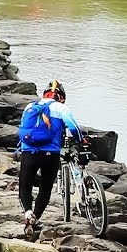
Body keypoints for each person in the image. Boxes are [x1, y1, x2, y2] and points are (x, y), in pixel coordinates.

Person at [17, 80, 83, 238]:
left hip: (29, 152)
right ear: (61, 97)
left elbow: (23, 128)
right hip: (50, 154)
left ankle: (27, 213)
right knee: (45, 188)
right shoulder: (61, 108)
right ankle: (36, 218)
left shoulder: (30, 107)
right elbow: (73, 127)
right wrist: (81, 140)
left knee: (24, 186)